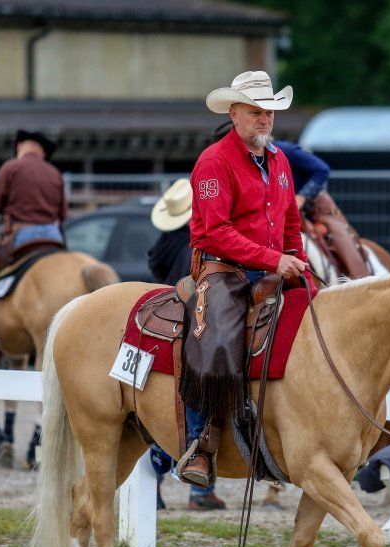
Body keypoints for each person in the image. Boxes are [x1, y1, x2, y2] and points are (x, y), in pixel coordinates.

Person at [176, 71, 312, 486]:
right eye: (255, 111)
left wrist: (298, 261)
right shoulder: (214, 161)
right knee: (215, 339)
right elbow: (215, 232)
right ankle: (202, 443)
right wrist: (274, 259)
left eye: (269, 112)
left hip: (271, 265)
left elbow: (290, 221)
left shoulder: (280, 160)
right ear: (234, 113)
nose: (264, 119)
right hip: (222, 268)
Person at [146, 178, 226, 510]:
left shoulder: (165, 244)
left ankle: (155, 488)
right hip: (198, 314)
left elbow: (156, 268)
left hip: (169, 316)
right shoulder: (200, 243)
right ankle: (199, 487)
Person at [0, 130, 67, 345]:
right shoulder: (55, 173)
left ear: (19, 147)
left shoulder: (11, 167)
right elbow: (62, 214)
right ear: (42, 152)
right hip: (53, 237)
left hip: (22, 235)